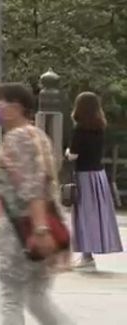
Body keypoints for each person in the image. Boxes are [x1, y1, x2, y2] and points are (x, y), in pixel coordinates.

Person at [0, 83, 73, 325]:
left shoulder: (17, 138)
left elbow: (33, 187)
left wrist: (40, 228)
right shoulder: (38, 136)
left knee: (11, 296)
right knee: (36, 298)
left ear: (14, 108)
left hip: (22, 230)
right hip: (41, 225)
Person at [66, 92, 123, 270]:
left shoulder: (79, 130)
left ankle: (86, 256)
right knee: (95, 216)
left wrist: (67, 152)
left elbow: (73, 155)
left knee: (83, 215)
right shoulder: (100, 128)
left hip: (84, 176)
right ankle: (87, 255)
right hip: (98, 176)